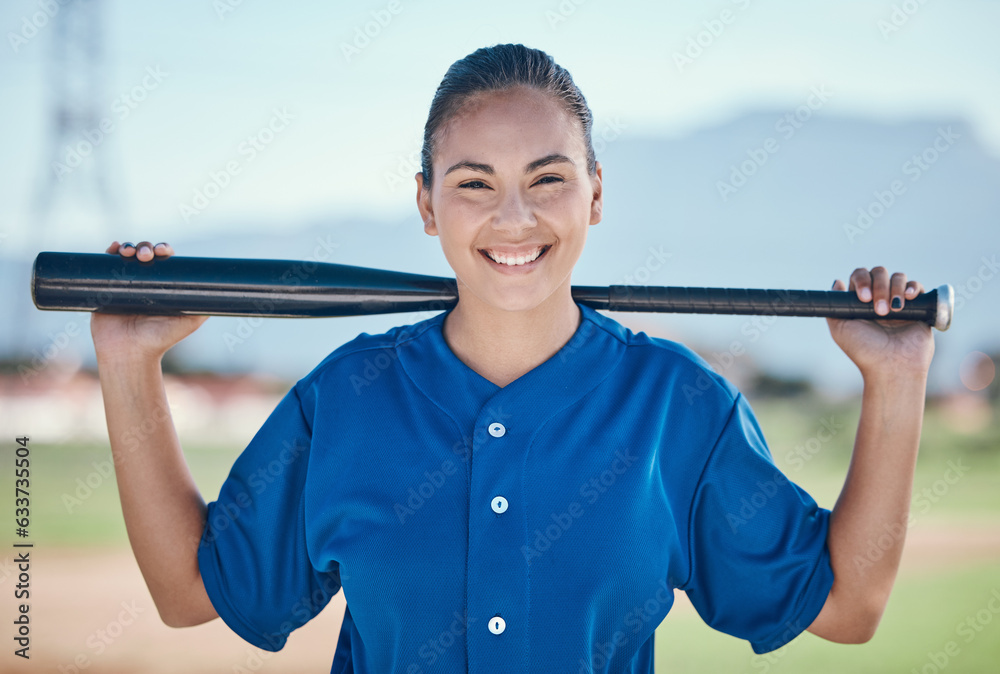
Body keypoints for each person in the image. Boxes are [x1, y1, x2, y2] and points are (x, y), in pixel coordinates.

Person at [90, 44, 935, 673]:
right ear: (426, 203)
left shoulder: (678, 407)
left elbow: (848, 607)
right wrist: (129, 365)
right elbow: (190, 593)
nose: (514, 217)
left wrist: (895, 381)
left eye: (548, 178)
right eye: (473, 183)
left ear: (596, 193)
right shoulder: (348, 397)